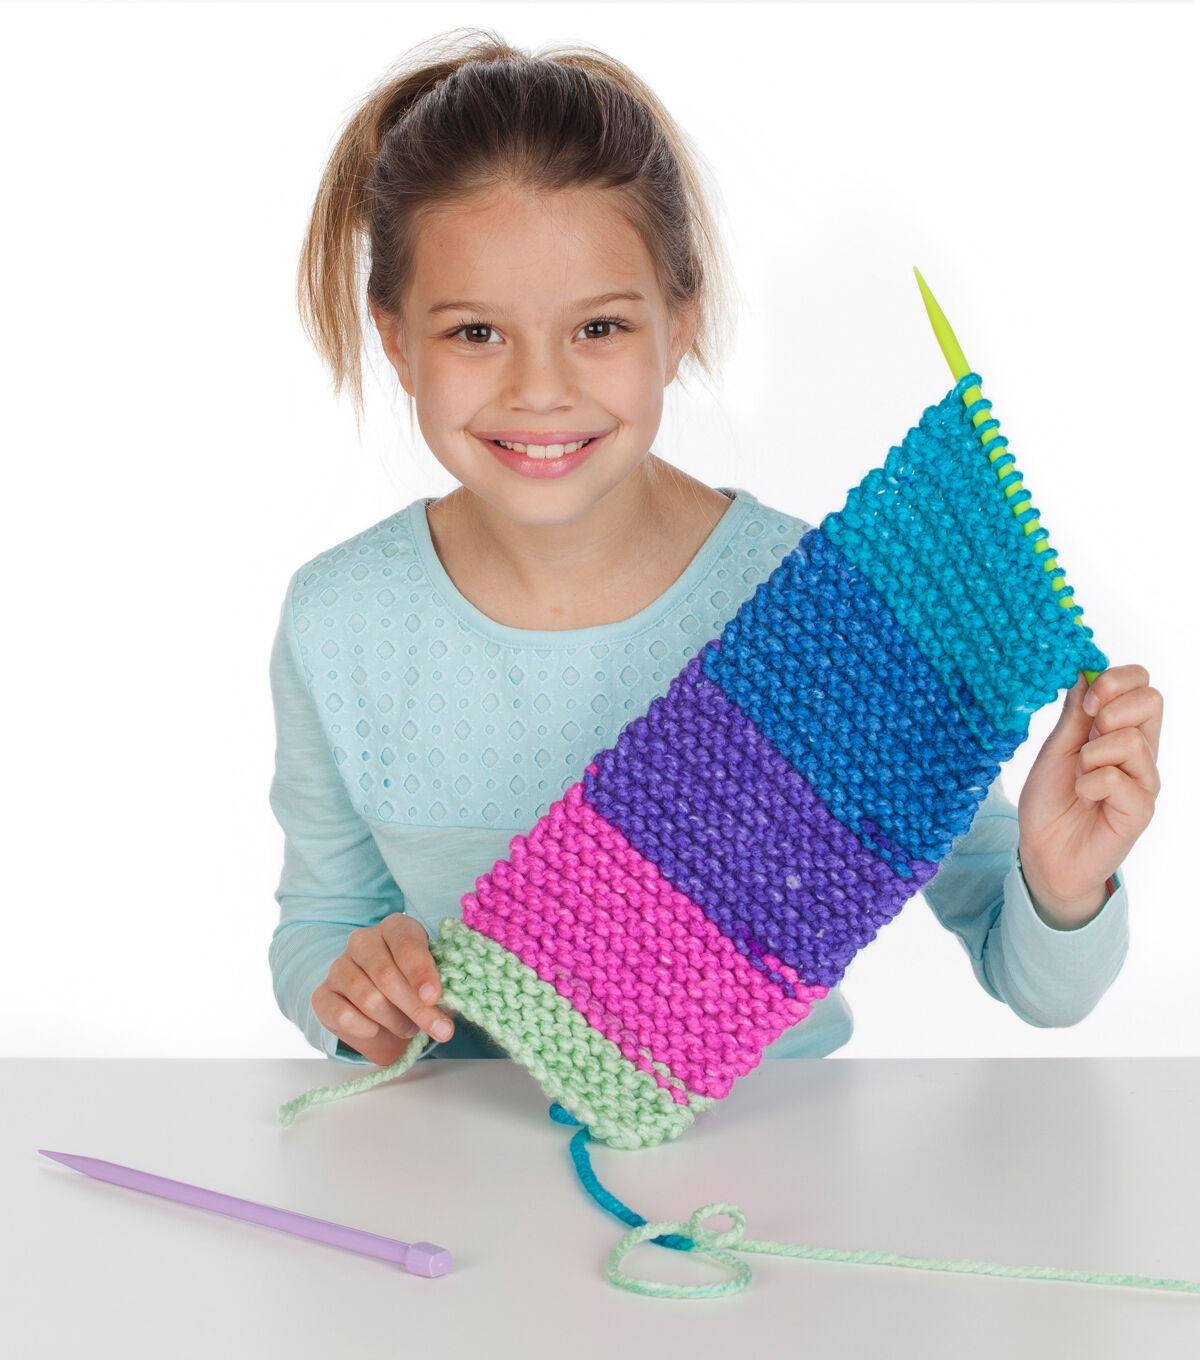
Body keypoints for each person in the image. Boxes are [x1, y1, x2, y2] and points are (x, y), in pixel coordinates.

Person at [267, 29, 1162, 1073]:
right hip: (461, 1161)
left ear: (678, 325)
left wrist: (1061, 883)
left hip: (773, 1155)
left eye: (599, 328)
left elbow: (1035, 982)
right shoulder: (340, 623)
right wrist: (354, 997)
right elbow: (321, 924)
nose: (539, 388)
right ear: (394, 337)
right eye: (476, 333)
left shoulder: (820, 610)